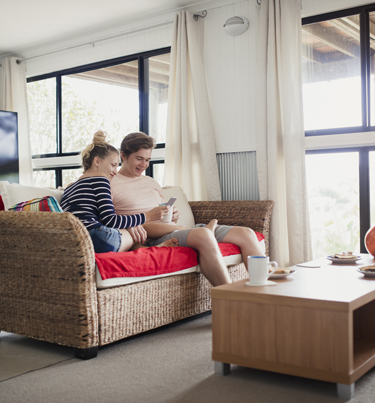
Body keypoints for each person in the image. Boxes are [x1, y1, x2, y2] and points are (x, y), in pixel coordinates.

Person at [111, 132, 265, 286]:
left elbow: (163, 211)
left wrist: (173, 215)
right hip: (152, 237)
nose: (144, 165)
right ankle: (227, 299)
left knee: (246, 233)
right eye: (139, 159)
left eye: (147, 160)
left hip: (175, 228)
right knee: (203, 234)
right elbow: (107, 220)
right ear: (123, 155)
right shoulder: (111, 183)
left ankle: (267, 294)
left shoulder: (150, 182)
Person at [60, 130, 177, 254]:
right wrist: (147, 216)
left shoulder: (70, 187)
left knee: (132, 231)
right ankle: (152, 250)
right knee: (135, 233)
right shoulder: (101, 179)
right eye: (113, 165)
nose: (115, 171)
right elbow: (110, 220)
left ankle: (151, 250)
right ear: (97, 161)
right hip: (96, 238)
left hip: (72, 242)